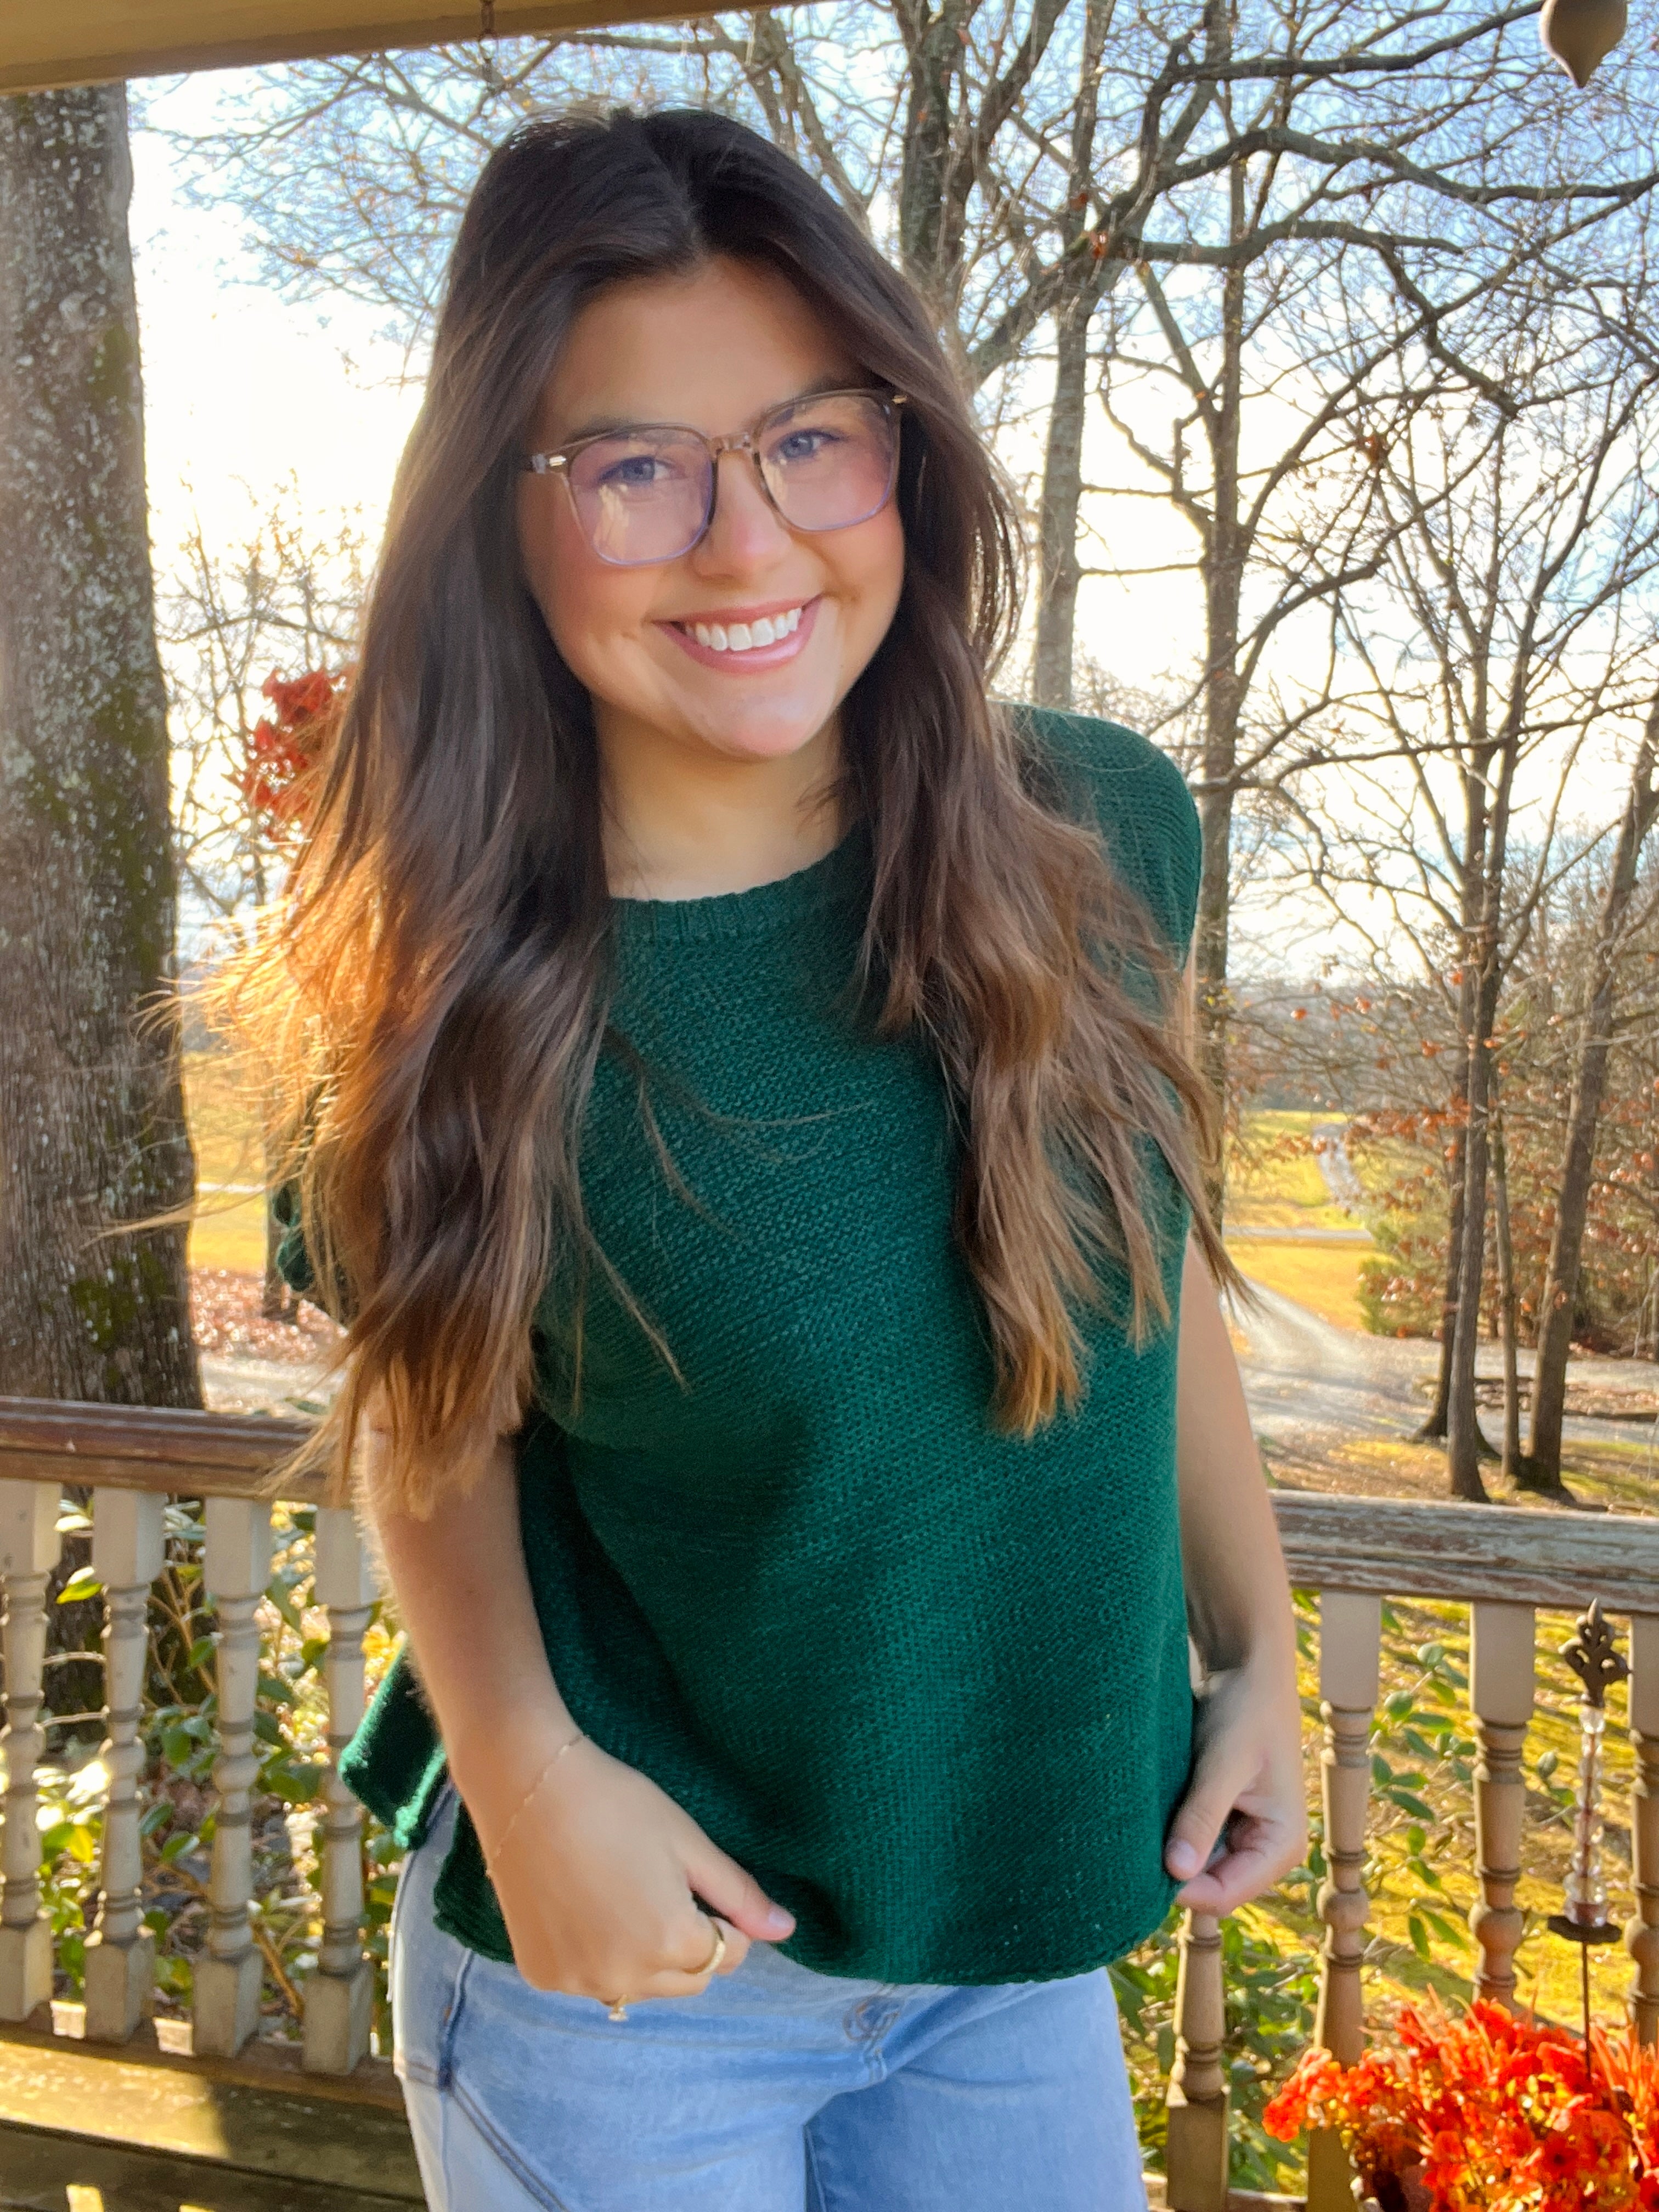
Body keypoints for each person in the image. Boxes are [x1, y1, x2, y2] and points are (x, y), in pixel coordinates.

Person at [261, 104, 1305, 2212]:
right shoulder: (434, 978)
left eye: (813, 440)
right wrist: (523, 1777)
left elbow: (1144, 1264)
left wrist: (1260, 1643)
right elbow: (435, 1427)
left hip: (1007, 1942)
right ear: (502, 514)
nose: (747, 548)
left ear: (904, 456)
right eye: (635, 467)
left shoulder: (1100, 836)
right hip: (641, 1974)